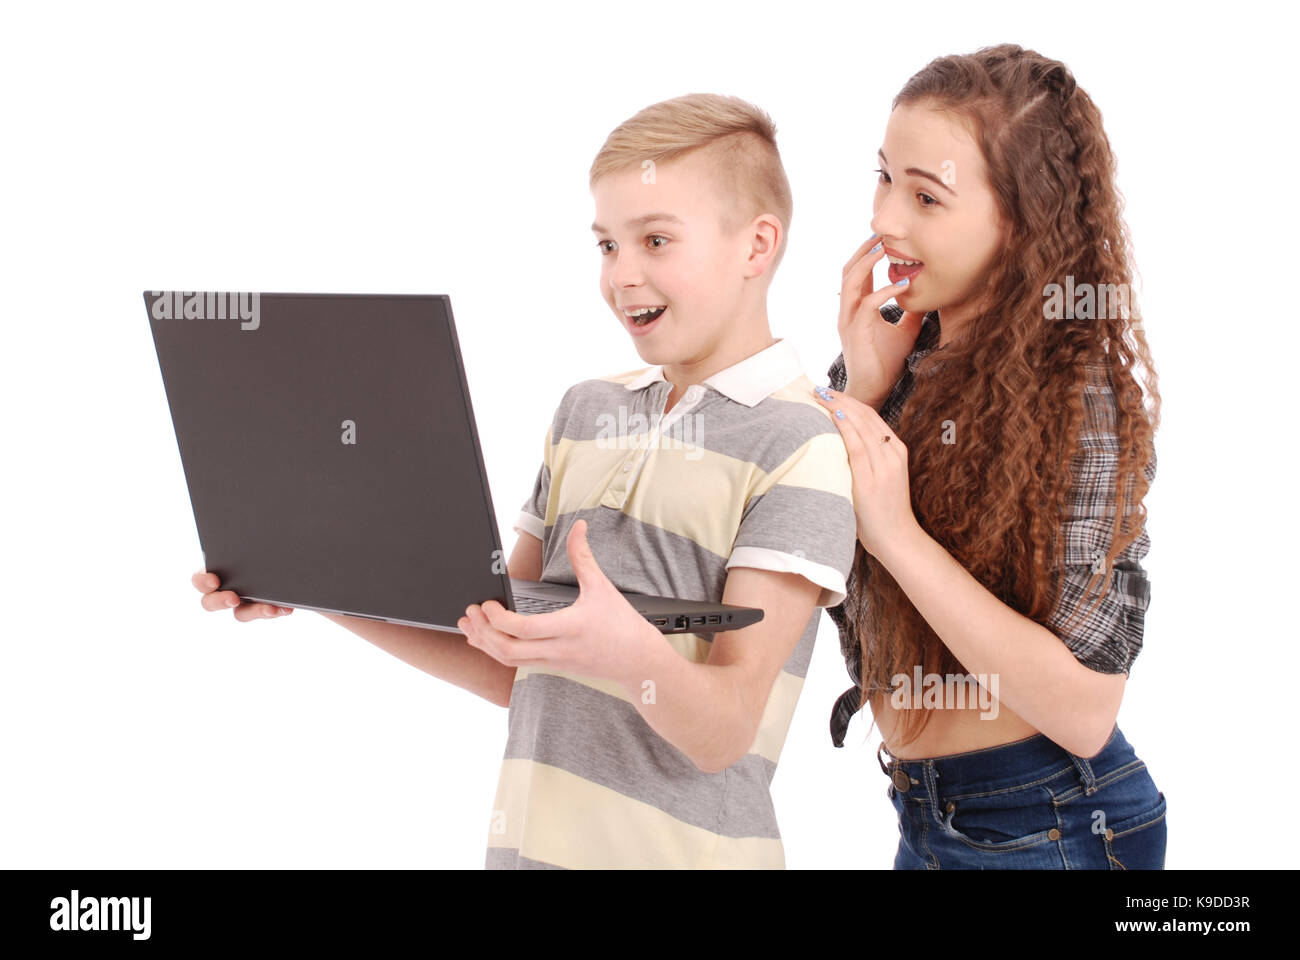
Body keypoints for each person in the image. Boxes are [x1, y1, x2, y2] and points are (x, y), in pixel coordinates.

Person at [193, 93, 859, 869]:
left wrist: (627, 654)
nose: (623, 275)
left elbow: (727, 729)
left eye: (655, 240)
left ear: (757, 246)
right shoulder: (586, 411)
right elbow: (502, 654)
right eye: (607, 245)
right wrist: (314, 584)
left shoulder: (799, 445)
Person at [812, 45, 1167, 869]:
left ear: (1020, 218)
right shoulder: (890, 352)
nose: (886, 220)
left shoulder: (1081, 397)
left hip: (1054, 820)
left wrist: (897, 532)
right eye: (884, 177)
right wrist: (863, 393)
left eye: (926, 196)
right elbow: (820, 574)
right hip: (926, 817)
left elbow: (1083, 712)